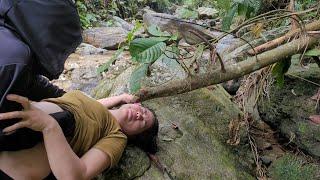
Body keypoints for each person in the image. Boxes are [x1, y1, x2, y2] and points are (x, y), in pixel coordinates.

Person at [0, 90, 159, 179]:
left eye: (143, 122)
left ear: (134, 135)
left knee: (67, 119)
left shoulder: (117, 137)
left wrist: (49, 126)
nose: (140, 115)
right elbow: (98, 105)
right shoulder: (94, 106)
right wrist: (122, 97)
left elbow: (77, 175)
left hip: (50, 132)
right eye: (143, 111)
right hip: (20, 118)